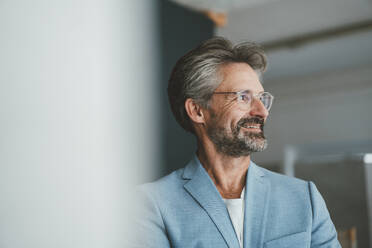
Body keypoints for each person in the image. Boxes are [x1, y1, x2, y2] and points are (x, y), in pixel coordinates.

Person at [131, 37, 341, 248]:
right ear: (197, 111)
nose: (262, 111)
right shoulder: (152, 204)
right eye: (243, 97)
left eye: (262, 98)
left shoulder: (304, 198)